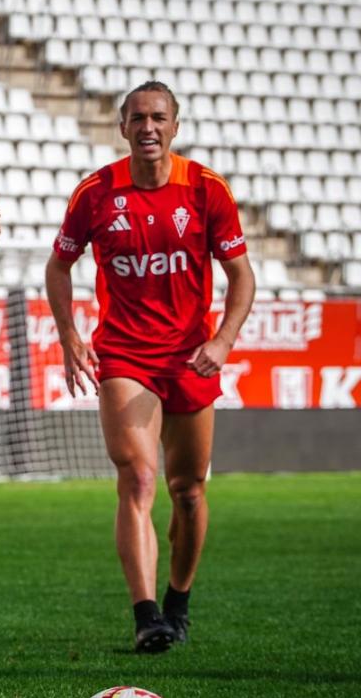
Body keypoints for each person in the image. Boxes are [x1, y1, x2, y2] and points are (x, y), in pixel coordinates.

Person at [44, 81, 255, 653]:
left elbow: (242, 277)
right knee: (137, 478)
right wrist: (69, 336)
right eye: (138, 118)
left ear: (175, 126)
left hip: (190, 357)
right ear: (122, 127)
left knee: (187, 490)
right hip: (124, 355)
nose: (148, 128)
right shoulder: (95, 192)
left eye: (159, 117)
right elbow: (58, 267)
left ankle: (178, 601)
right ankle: (146, 616)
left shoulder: (206, 189)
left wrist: (223, 341)